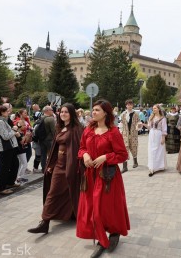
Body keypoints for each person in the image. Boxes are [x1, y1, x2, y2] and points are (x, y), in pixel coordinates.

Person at [76, 100, 130, 258]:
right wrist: (85, 154)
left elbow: (122, 155)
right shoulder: (88, 129)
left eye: (97, 110)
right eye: (93, 110)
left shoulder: (113, 132)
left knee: (102, 209)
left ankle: (108, 236)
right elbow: (81, 148)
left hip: (107, 177)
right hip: (90, 176)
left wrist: (105, 157)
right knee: (92, 209)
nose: (93, 112)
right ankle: (103, 236)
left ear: (105, 113)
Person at [28, 103, 82, 234]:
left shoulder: (76, 129)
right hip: (59, 165)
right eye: (61, 112)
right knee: (53, 193)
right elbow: (55, 149)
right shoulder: (60, 127)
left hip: (70, 166)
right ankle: (45, 222)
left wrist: (74, 166)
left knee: (68, 192)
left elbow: (77, 149)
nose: (63, 114)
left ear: (72, 114)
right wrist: (51, 164)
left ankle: (71, 215)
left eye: (66, 112)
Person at [0, 105, 21, 195]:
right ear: (1, 113)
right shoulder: (0, 122)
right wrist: (14, 130)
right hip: (5, 148)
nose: (8, 112)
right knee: (5, 168)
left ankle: (10, 182)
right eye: (6, 111)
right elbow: (5, 136)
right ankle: (1, 188)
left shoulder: (3, 121)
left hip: (10, 147)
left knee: (15, 164)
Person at [120, 99, 142, 172]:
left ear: (132, 105)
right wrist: (121, 132)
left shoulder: (135, 114)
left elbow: (139, 122)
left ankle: (135, 161)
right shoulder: (123, 114)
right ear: (126, 105)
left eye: (131, 104)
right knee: (125, 149)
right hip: (125, 135)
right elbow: (121, 124)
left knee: (134, 148)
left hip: (133, 134)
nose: (129, 106)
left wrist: (138, 126)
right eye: (128, 104)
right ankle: (125, 167)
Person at [146, 104, 167, 176]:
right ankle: (152, 167)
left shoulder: (163, 118)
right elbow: (149, 127)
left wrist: (163, 138)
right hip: (152, 134)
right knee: (152, 150)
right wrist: (143, 124)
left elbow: (164, 129)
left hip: (159, 134)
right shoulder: (151, 117)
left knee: (159, 151)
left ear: (158, 109)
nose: (153, 110)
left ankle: (159, 166)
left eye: (155, 108)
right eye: (153, 108)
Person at [38, 105, 56, 172]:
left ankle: (43, 168)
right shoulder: (50, 119)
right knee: (52, 154)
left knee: (43, 154)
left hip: (41, 139)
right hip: (49, 139)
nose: (52, 111)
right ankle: (51, 167)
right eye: (51, 110)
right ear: (47, 111)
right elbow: (54, 131)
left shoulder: (40, 118)